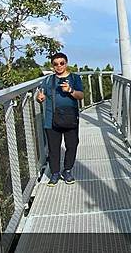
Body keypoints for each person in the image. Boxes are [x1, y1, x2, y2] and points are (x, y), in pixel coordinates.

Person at [36, 52, 84, 186]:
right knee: (53, 148)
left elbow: (80, 96)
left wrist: (70, 90)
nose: (59, 66)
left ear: (66, 63)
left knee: (72, 145)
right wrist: (39, 99)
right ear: (52, 66)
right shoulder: (48, 80)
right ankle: (55, 173)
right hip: (51, 119)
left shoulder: (75, 78)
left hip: (70, 118)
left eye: (61, 63)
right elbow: (40, 95)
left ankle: (67, 170)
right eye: (56, 64)